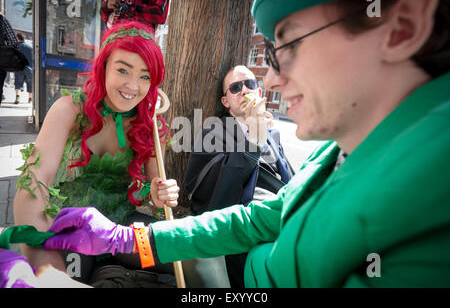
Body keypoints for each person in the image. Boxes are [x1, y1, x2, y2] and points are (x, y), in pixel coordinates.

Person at [43, 0, 450, 287]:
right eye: (269, 58)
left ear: (401, 29)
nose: (269, 81)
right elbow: (249, 215)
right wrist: (131, 237)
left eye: (287, 48)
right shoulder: (330, 151)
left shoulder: (431, 194)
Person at [13, 21, 180, 286]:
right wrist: (43, 259)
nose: (133, 86)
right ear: (103, 67)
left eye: (145, 76)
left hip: (121, 231)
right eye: (123, 69)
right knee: (72, 274)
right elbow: (33, 184)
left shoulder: (151, 125)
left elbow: (153, 191)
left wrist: (160, 194)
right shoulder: (69, 110)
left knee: (183, 255)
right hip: (68, 226)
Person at [184, 65, 294, 287]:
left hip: (283, 217)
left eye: (250, 84)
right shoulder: (213, 133)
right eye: (235, 87)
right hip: (248, 225)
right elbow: (213, 196)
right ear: (226, 102)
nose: (244, 91)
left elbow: (289, 180)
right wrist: (252, 142)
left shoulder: (273, 134)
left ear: (259, 92)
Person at [101, 0, 170, 34]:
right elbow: (104, 15)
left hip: (141, 43)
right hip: (115, 39)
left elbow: (161, 15)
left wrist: (131, 7)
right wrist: (107, 4)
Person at [14, 33, 33, 105]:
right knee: (30, 83)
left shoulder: (16, 47)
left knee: (18, 83)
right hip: (29, 68)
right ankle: (30, 99)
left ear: (18, 38)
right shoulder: (30, 47)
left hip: (19, 68)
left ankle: (17, 97)